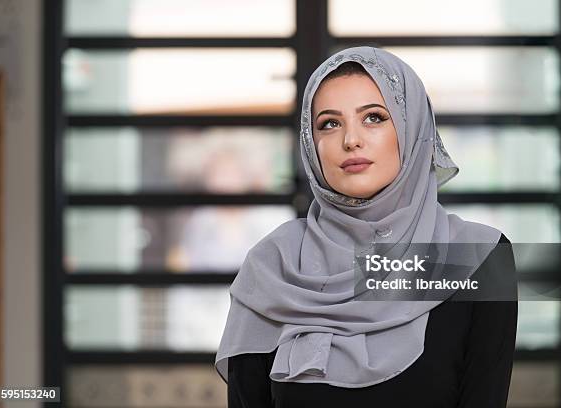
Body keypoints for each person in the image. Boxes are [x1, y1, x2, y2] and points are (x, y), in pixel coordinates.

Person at [214, 46, 518, 407]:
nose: (351, 140)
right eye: (329, 123)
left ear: (411, 129)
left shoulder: (477, 258)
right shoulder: (274, 265)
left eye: (373, 117)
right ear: (312, 146)